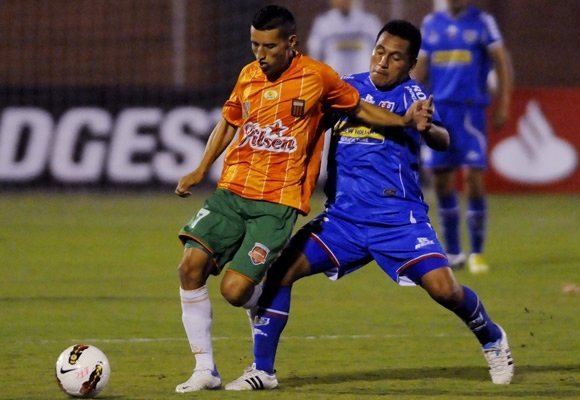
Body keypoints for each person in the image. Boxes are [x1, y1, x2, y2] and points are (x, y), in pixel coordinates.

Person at [225, 19, 514, 391]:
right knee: (280, 272)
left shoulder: (413, 98)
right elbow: (307, 122)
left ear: (410, 65)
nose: (383, 61)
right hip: (342, 220)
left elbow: (443, 140)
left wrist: (427, 129)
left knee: (445, 290)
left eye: (395, 58)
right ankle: (262, 370)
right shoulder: (345, 90)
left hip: (398, 220)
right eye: (380, 51)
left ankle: (491, 337)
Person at [173, 5, 431, 393]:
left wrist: (404, 121)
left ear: (291, 43)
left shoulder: (318, 77)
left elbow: (358, 107)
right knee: (189, 267)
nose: (260, 54)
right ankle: (205, 369)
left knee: (234, 291)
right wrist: (199, 168)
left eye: (269, 46)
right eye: (254, 45)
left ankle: (264, 305)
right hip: (232, 190)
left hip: (277, 201)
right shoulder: (248, 75)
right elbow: (229, 120)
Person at [412, 0, 513, 274]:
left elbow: (500, 61)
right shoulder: (432, 24)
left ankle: (477, 252)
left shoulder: (482, 22)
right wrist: (408, 99)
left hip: (471, 114)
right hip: (439, 113)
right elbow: (420, 69)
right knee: (442, 182)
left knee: (474, 179)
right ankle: (454, 252)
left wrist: (503, 102)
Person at [307, 0, 382, 76]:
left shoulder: (369, 21)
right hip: (335, 81)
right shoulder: (323, 23)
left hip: (363, 81)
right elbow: (315, 55)